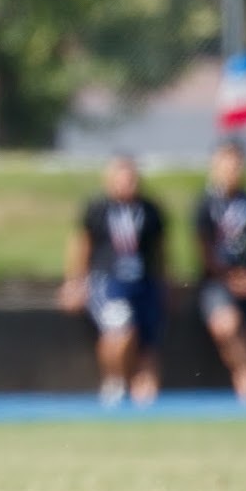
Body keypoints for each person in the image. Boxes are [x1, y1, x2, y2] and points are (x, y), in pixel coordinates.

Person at [58, 154, 168, 407]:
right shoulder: (98, 208)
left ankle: (146, 396)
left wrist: (164, 282)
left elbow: (161, 250)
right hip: (108, 281)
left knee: (148, 341)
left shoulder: (149, 210)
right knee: (119, 329)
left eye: (131, 178)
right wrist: (75, 281)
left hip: (143, 282)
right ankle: (115, 381)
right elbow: (81, 245)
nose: (127, 184)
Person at [193, 138, 246, 403]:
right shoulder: (205, 204)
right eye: (226, 162)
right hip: (219, 282)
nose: (232, 168)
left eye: (237, 163)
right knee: (227, 324)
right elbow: (203, 247)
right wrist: (229, 277)